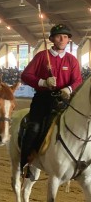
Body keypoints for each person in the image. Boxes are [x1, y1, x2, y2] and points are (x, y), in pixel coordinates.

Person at [20, 24, 82, 178]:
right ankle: (25, 164)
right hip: (43, 99)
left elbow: (78, 80)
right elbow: (25, 75)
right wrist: (43, 82)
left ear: (68, 40)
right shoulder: (42, 56)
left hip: (64, 100)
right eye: (59, 36)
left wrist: (68, 89)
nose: (62, 39)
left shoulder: (71, 59)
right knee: (34, 128)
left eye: (66, 37)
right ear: (52, 39)